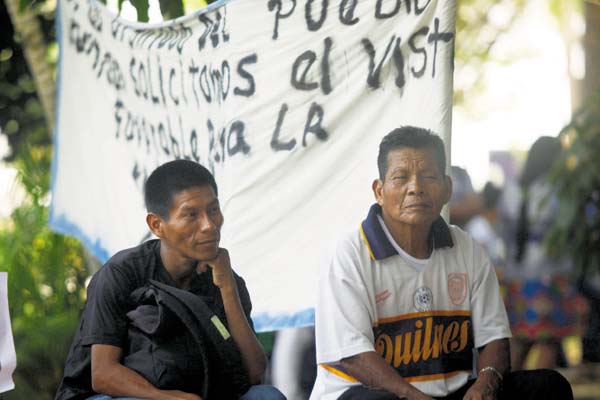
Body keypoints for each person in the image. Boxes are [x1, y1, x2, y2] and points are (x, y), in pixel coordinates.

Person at [309, 127, 573, 400]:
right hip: (372, 393)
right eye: (401, 177)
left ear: (447, 188)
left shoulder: (466, 248)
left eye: (428, 177)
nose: (416, 188)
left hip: (450, 392)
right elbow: (352, 356)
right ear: (379, 191)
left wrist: (485, 383)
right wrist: (412, 396)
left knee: (548, 385)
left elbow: (495, 338)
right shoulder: (349, 254)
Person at [55, 160, 286, 400]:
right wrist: (169, 398)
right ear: (157, 225)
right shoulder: (121, 273)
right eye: (191, 215)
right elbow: (103, 374)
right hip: (117, 396)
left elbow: (254, 373)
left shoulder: (225, 278)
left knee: (267, 396)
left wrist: (227, 288)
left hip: (200, 392)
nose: (209, 225)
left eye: (214, 210)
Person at [498, 136, 588, 370]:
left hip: (517, 273)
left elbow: (503, 233)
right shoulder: (556, 189)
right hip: (551, 272)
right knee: (549, 340)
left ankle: (509, 390)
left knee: (520, 340)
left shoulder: (512, 188)